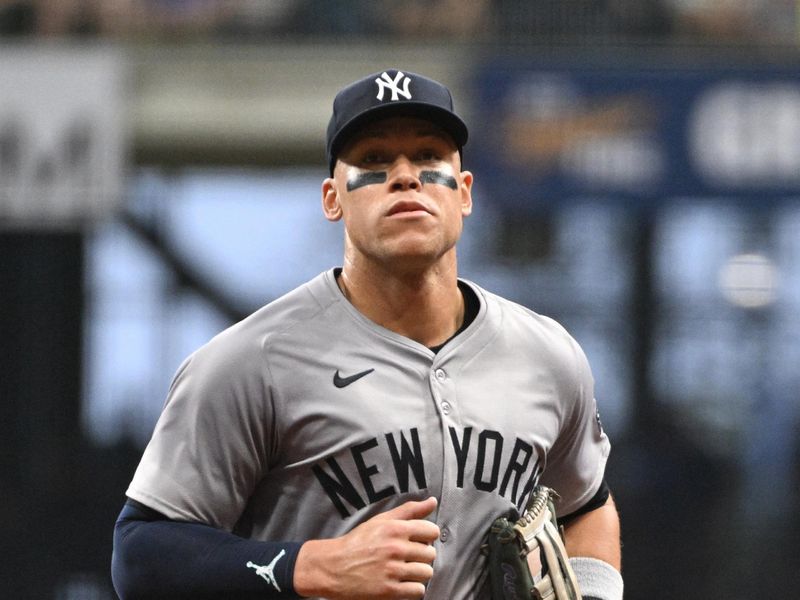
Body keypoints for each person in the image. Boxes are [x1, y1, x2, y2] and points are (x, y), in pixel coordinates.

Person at [111, 68, 623, 600]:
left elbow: (586, 505)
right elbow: (140, 554)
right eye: (374, 160)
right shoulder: (252, 360)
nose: (406, 176)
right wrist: (308, 567)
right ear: (333, 199)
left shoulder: (546, 354)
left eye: (429, 157)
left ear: (464, 193)